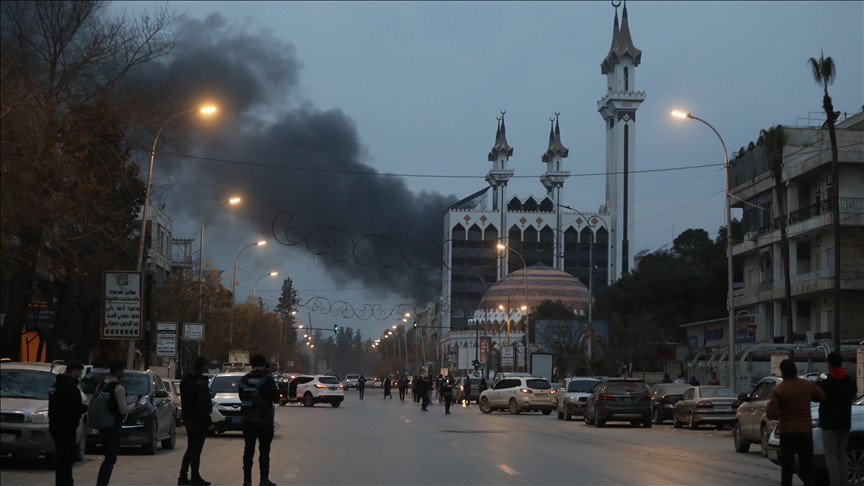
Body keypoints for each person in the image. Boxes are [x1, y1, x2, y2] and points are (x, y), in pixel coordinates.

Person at [766, 359, 825, 486]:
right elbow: (821, 396)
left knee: (787, 469)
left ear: (783, 373)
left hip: (787, 432)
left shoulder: (779, 390)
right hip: (805, 432)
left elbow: (770, 413)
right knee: (807, 467)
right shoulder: (807, 385)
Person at [96, 360, 142, 486]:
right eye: (122, 370)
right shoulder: (118, 387)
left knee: (107, 457)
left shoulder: (102, 385)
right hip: (113, 425)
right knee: (110, 459)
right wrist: (135, 405)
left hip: (103, 425)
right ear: (119, 371)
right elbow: (123, 410)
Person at [816, 352, 858, 486]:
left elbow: (816, 395)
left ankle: (835, 483)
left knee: (831, 455)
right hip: (845, 423)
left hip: (829, 424)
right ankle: (844, 482)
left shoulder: (827, 383)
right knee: (842, 454)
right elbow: (853, 394)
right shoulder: (850, 382)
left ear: (829, 364)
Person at [238, 354, 280, 486]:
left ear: (251, 365)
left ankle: (247, 480)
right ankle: (264, 479)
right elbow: (276, 399)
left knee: (248, 450)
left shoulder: (244, 380)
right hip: (264, 422)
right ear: (263, 365)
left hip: (248, 421)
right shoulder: (267, 380)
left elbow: (241, 397)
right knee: (264, 451)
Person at [48, 361, 88, 486]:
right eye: (79, 372)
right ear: (74, 371)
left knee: (61, 457)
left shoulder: (56, 385)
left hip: (55, 426)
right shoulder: (70, 387)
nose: (80, 375)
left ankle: (61, 482)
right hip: (66, 428)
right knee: (66, 459)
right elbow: (76, 407)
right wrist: (85, 406)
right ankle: (66, 483)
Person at [178, 357, 213, 486]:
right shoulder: (200, 383)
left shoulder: (185, 382)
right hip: (198, 420)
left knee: (191, 448)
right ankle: (195, 477)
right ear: (202, 367)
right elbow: (203, 406)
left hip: (188, 418)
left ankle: (183, 476)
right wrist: (208, 422)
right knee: (196, 450)